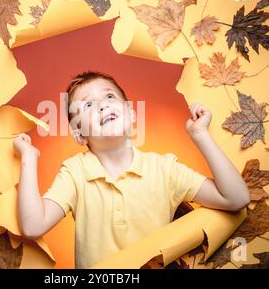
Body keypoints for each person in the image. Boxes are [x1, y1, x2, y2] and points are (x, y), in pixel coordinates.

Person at [13, 71, 250, 269]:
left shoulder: (164, 169)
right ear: (78, 134)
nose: (102, 105)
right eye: (87, 104)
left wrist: (200, 135)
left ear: (131, 112)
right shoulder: (75, 172)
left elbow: (236, 198)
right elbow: (33, 225)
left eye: (109, 96)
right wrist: (29, 158)